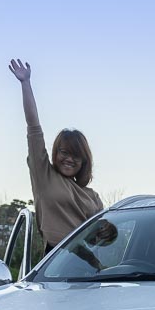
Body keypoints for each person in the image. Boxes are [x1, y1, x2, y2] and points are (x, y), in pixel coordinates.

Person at [9, 59, 104, 252]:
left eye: (76, 155)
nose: (69, 158)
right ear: (56, 152)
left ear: (84, 161)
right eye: (64, 152)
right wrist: (25, 84)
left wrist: (109, 234)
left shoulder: (92, 197)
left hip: (90, 267)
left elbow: (101, 241)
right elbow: (33, 127)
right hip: (56, 263)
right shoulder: (44, 174)